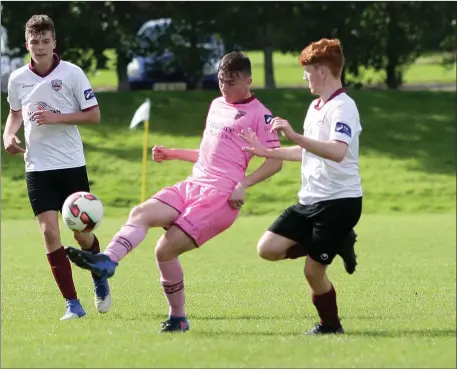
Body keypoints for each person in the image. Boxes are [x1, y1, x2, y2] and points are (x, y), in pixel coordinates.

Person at [65, 51, 283, 332]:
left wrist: (244, 183)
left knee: (164, 250)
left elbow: (275, 160)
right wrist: (173, 154)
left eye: (230, 82)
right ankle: (106, 262)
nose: (224, 87)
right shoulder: (217, 104)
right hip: (193, 185)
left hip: (220, 198)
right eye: (220, 80)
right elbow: (208, 154)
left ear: (248, 80)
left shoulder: (261, 115)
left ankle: (177, 317)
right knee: (141, 212)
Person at [240, 38, 362, 335]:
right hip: (310, 201)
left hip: (339, 202)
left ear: (321, 71)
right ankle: (339, 241)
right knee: (267, 248)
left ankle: (330, 326)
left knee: (312, 271)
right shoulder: (315, 106)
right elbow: (307, 151)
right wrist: (266, 152)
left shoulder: (343, 107)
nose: (304, 76)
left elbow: (336, 151)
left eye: (307, 71)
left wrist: (293, 136)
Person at [2, 14, 110, 320]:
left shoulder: (73, 74)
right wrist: (8, 135)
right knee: (50, 234)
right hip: (37, 167)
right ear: (27, 44)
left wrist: (56, 117)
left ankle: (98, 272)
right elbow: (14, 114)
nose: (39, 47)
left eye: (45, 41)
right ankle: (72, 304)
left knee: (82, 236)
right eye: (34, 42)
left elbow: (93, 116)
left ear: (54, 43)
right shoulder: (17, 78)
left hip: (71, 165)